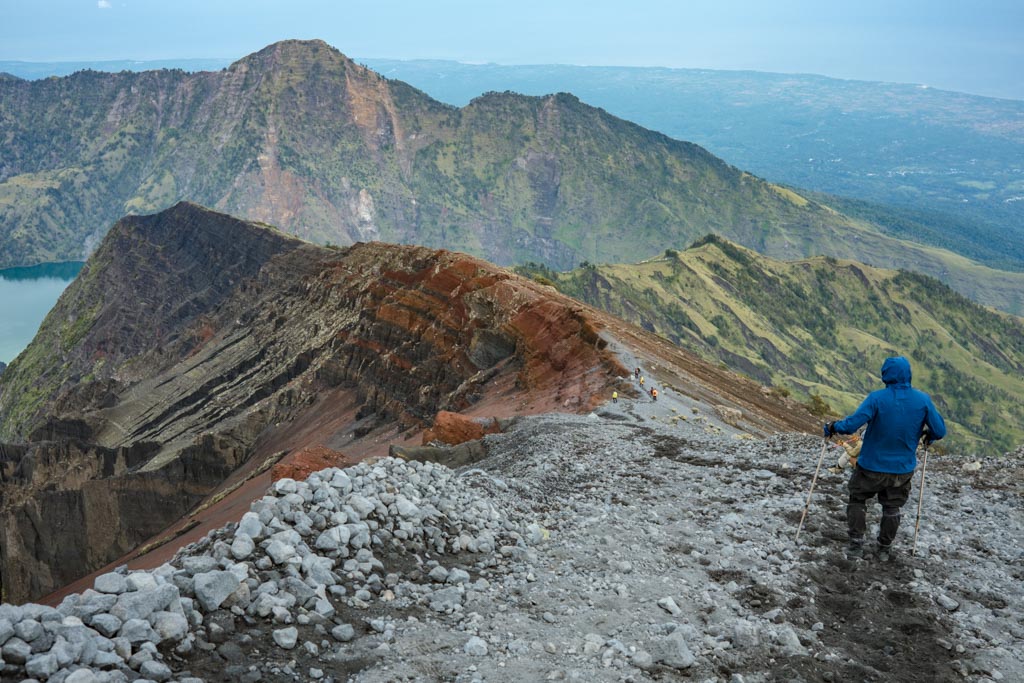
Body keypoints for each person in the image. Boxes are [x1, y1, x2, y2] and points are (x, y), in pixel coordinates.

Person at [824, 356, 946, 560]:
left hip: (871, 465)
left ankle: (856, 545)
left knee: (857, 499)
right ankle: (884, 548)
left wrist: (833, 427)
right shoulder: (922, 400)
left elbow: (851, 425)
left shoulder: (876, 398)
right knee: (892, 507)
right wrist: (928, 435)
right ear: (908, 374)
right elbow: (939, 430)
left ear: (885, 375)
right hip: (902, 469)